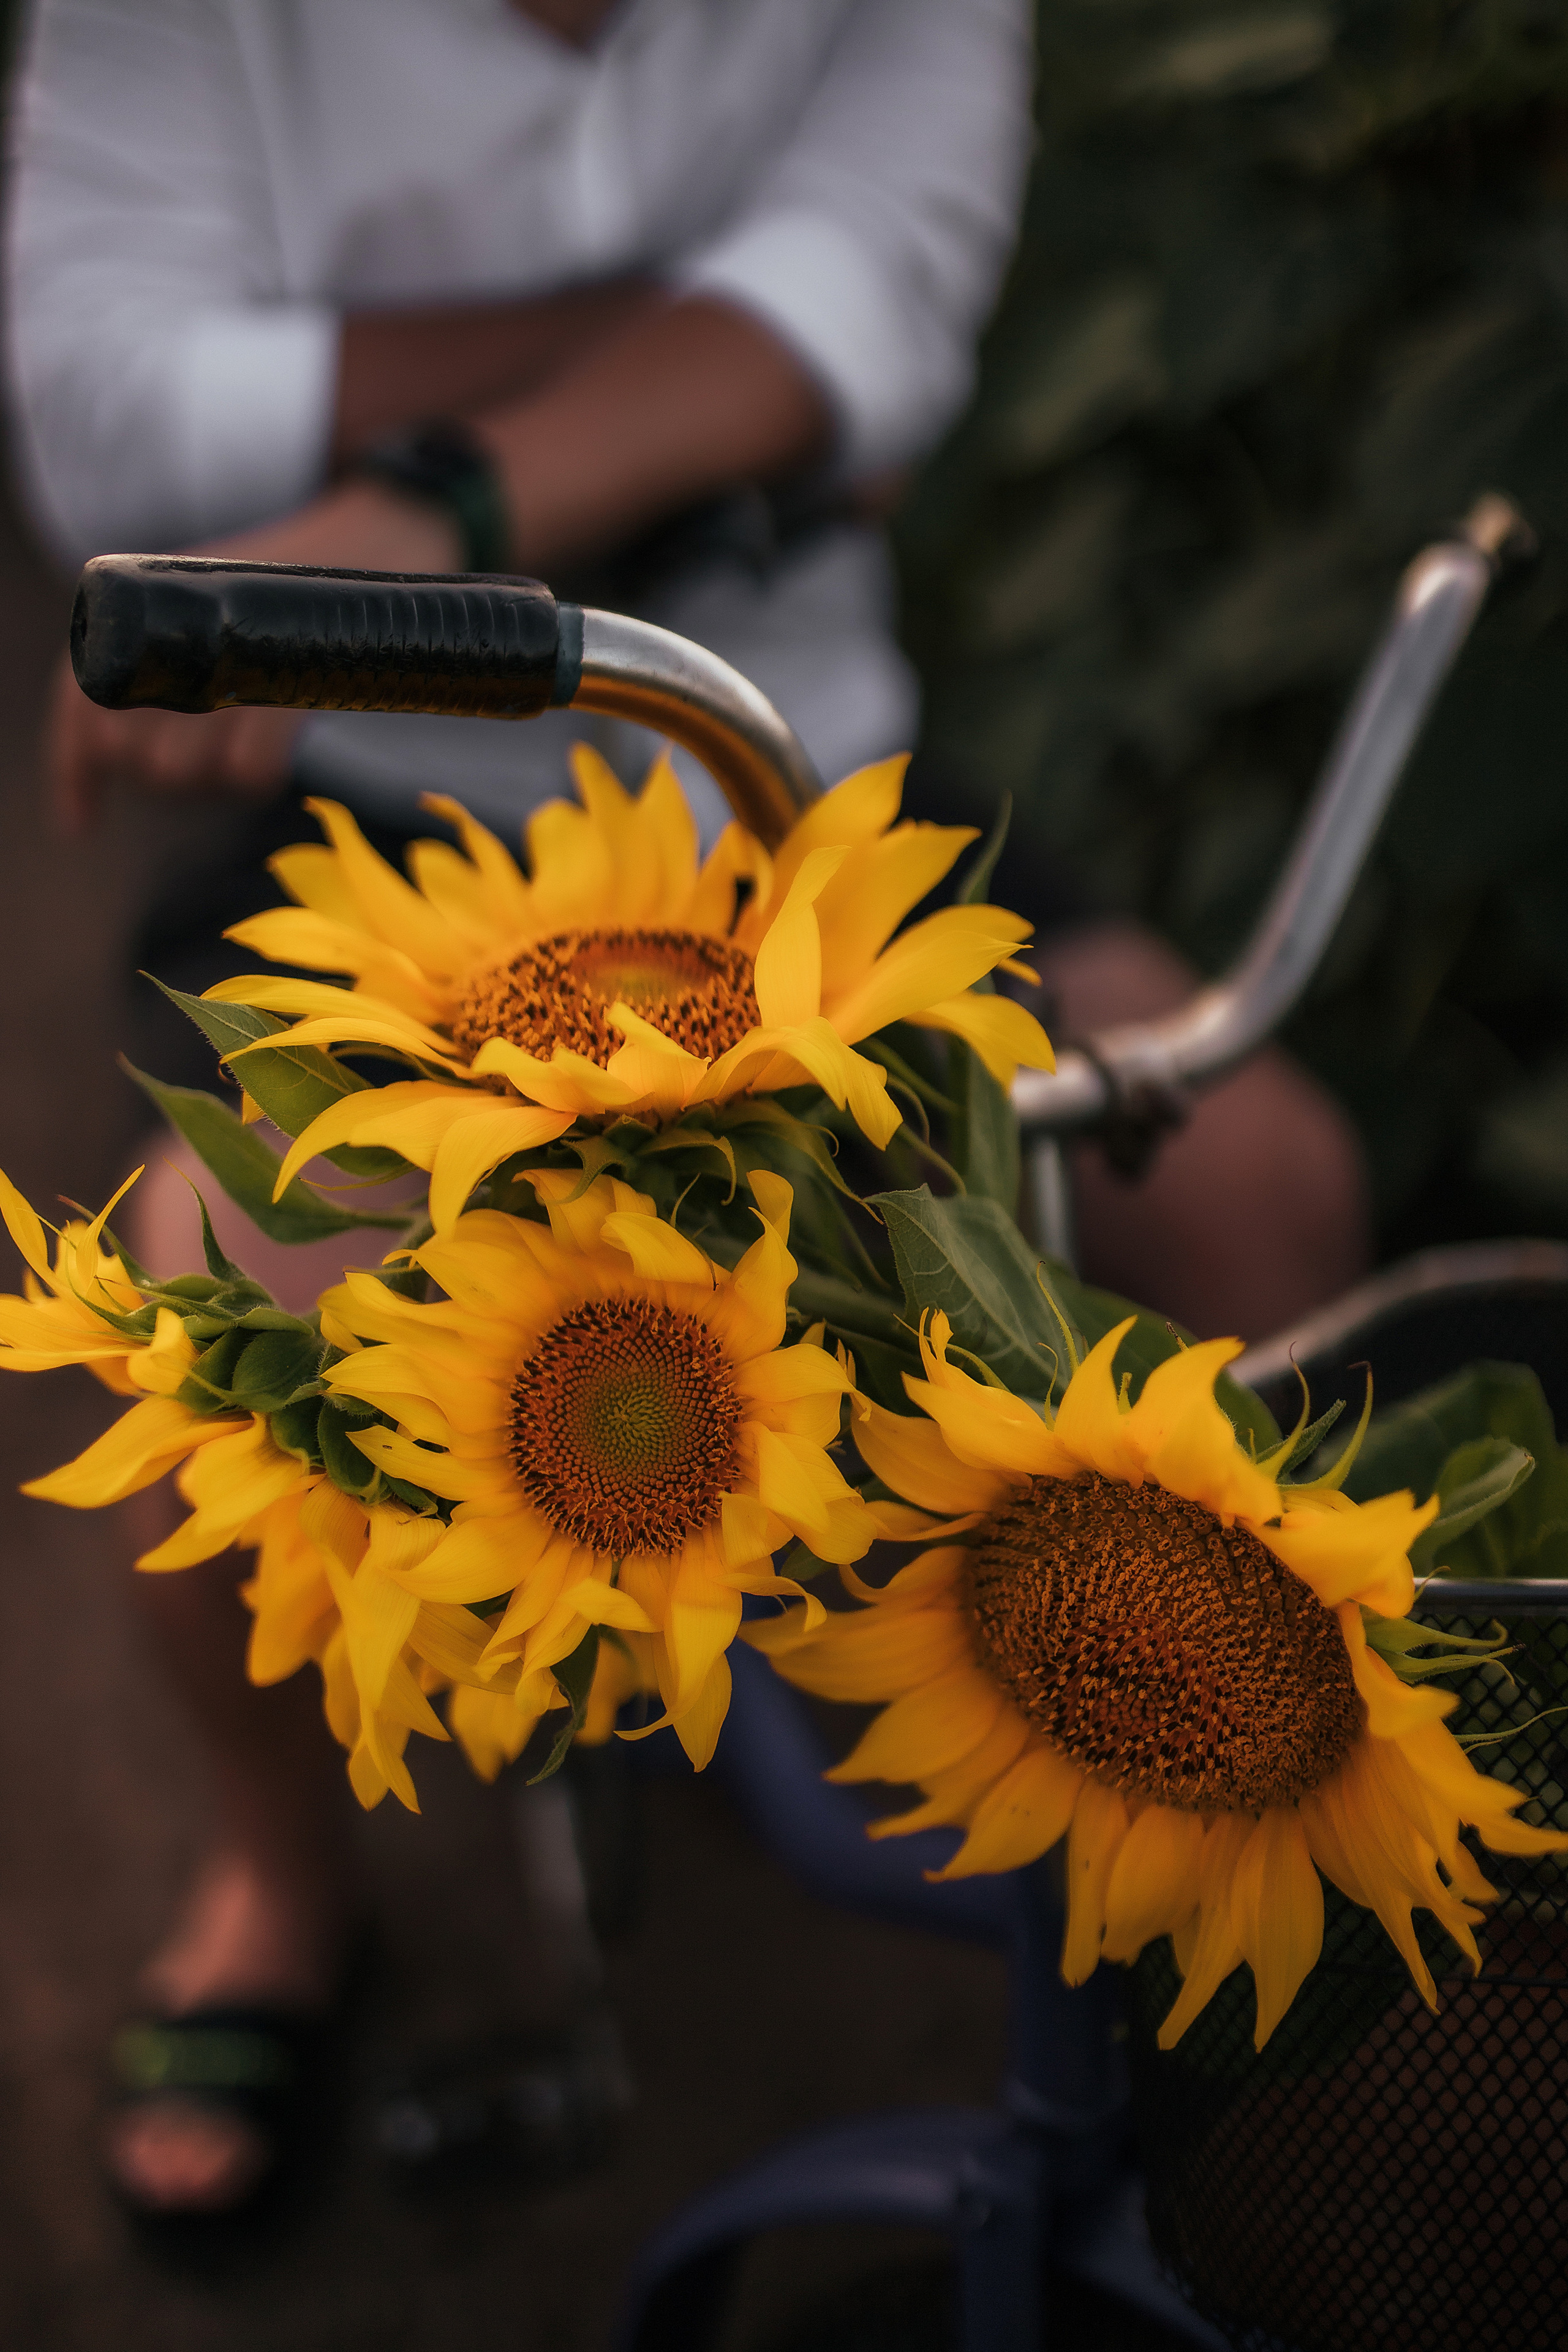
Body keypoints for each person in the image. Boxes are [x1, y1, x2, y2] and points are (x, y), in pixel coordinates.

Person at [6, 0, 1366, 2220]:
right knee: (218, 1306)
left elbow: (868, 332)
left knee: (1257, 1182)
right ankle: (280, 1875)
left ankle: (1206, 1881)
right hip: (364, 807)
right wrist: (693, 361)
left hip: (792, 788)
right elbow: (108, 420)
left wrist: (403, 500)